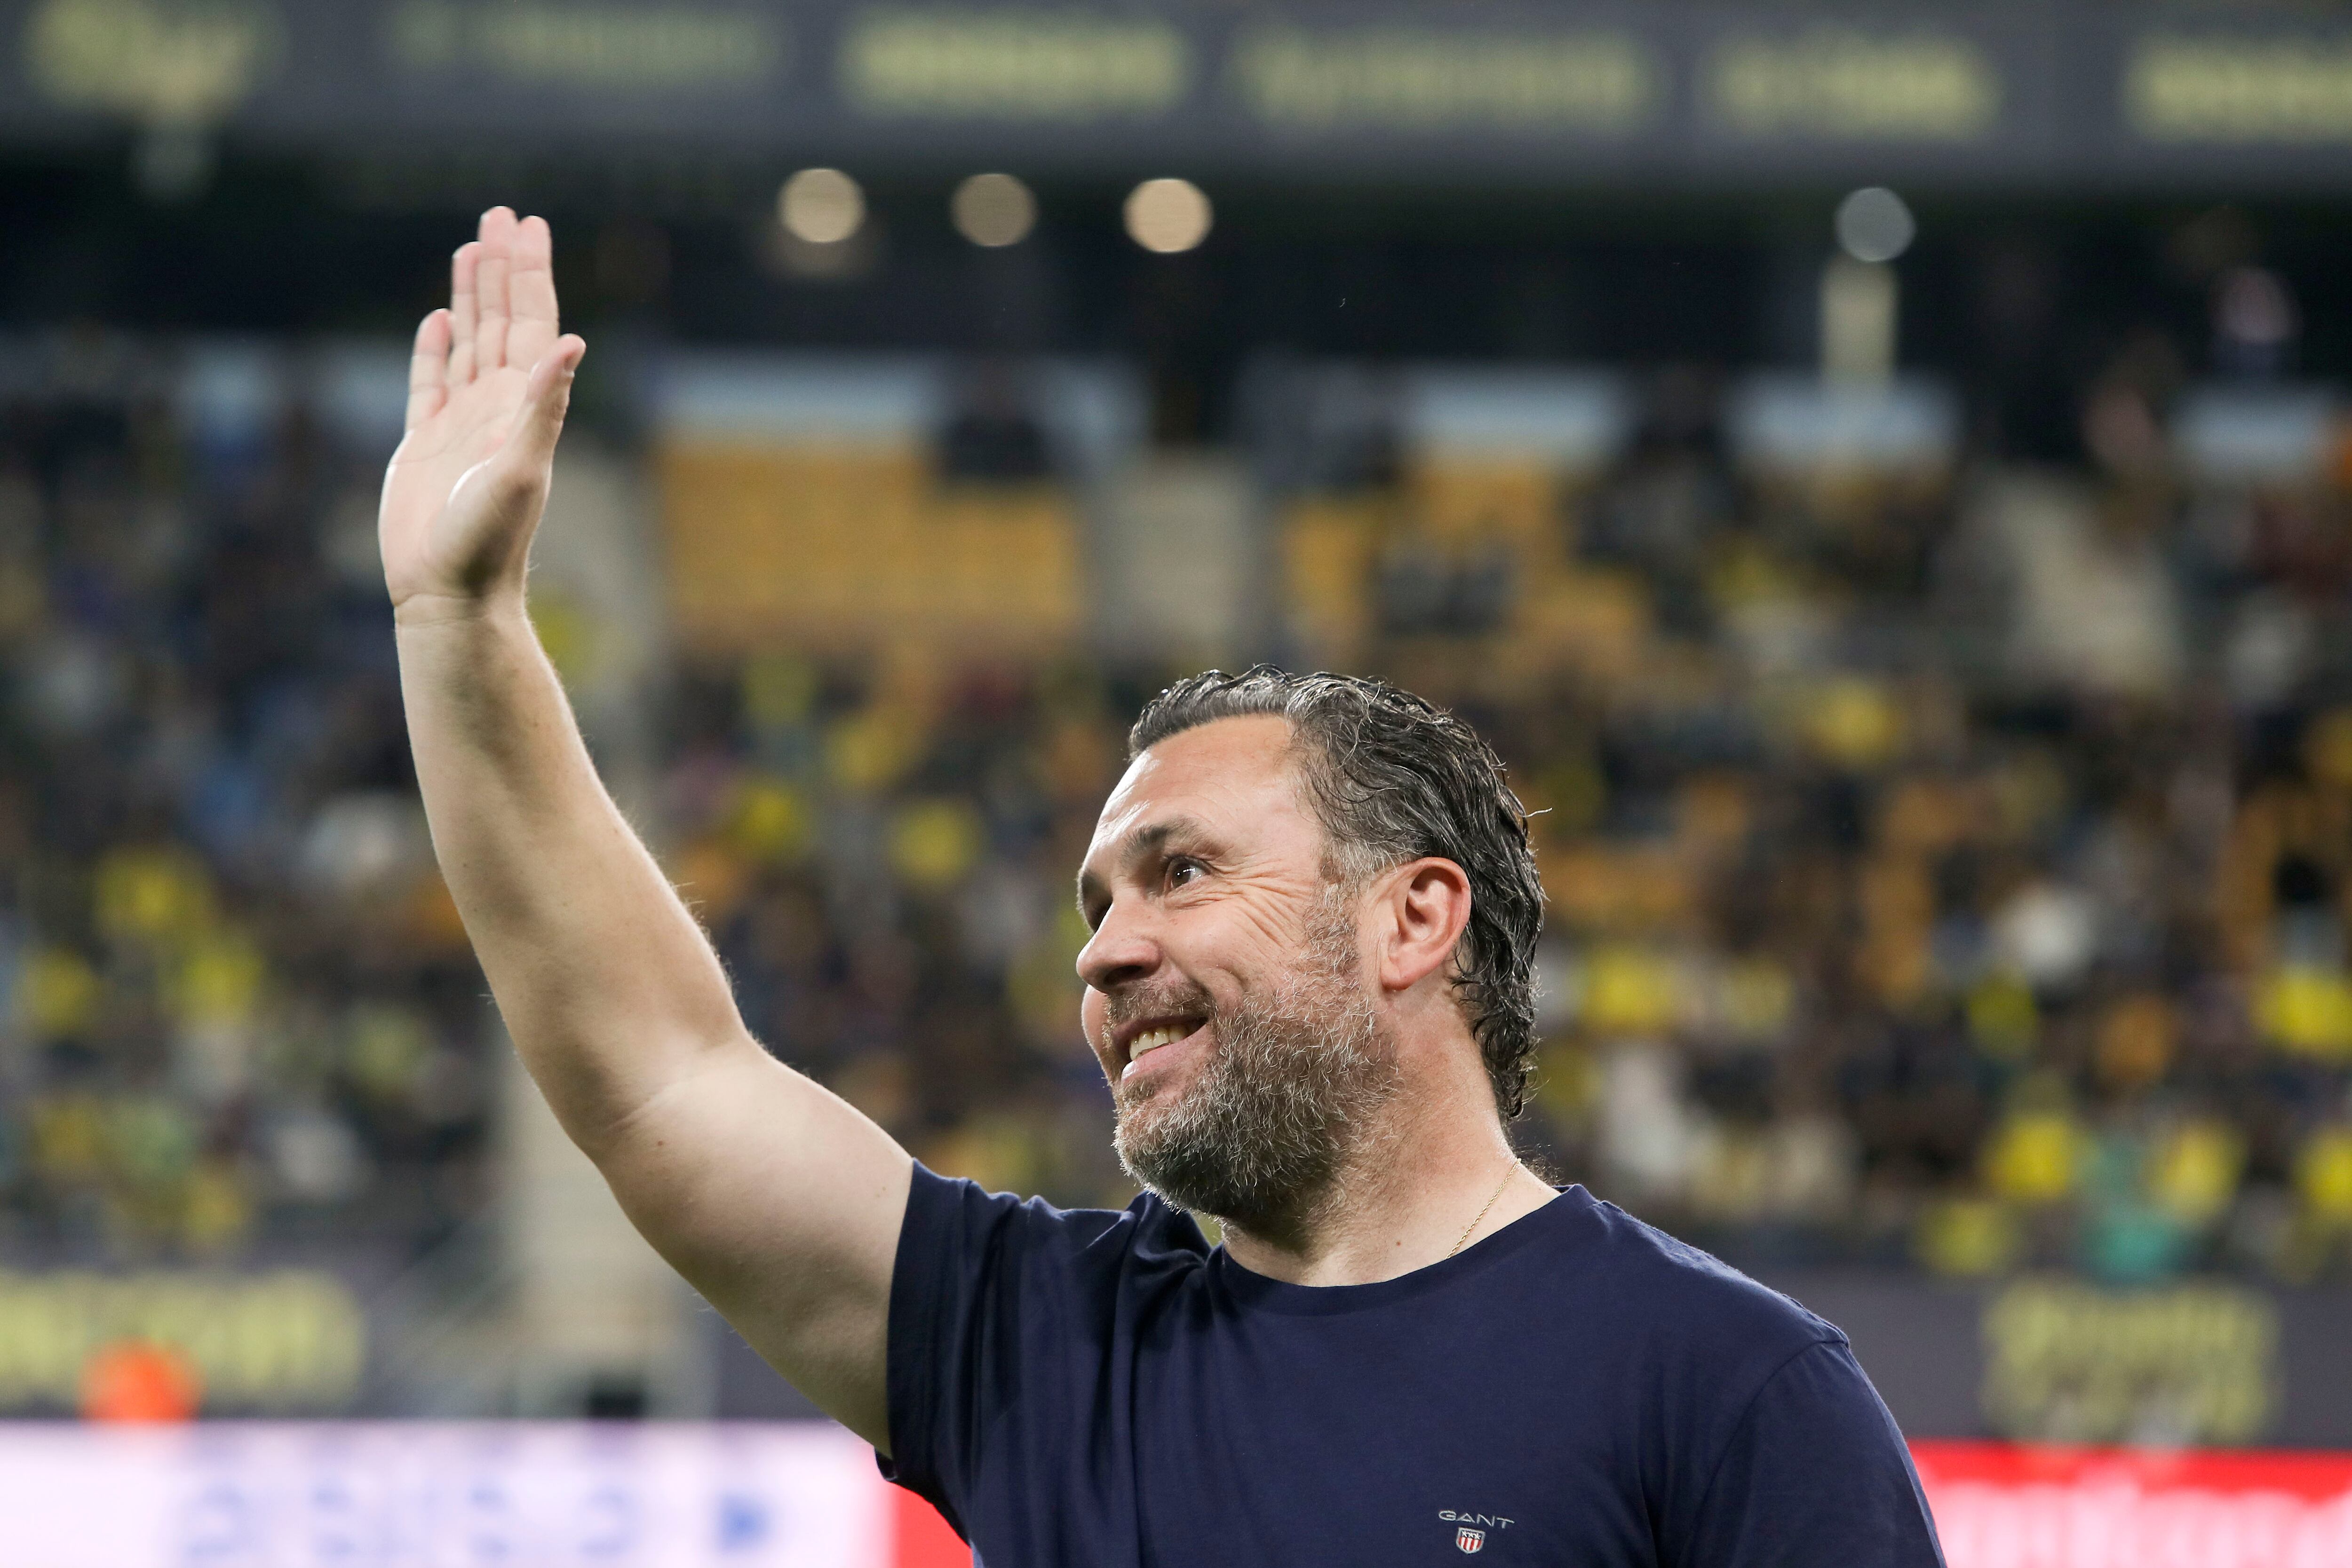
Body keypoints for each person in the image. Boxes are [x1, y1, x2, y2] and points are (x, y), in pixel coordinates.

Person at [383, 207, 1945, 1567]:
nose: (1111, 955)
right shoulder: (1041, 1345)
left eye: (1183, 873)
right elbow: (660, 1078)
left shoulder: (1729, 1393)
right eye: (1095, 908)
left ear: (1413, 918)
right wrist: (458, 626)